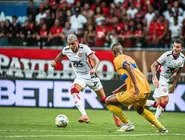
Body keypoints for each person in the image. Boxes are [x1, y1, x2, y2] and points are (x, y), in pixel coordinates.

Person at [51, 34, 121, 126]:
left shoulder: (84, 48)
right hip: (80, 77)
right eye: (69, 44)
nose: (71, 46)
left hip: (91, 76)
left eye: (73, 44)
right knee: (73, 91)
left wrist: (94, 69)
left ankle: (115, 115)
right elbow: (62, 54)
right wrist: (55, 61)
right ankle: (84, 115)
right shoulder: (66, 50)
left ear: (77, 42)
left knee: (104, 100)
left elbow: (96, 60)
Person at [105, 42, 168, 132]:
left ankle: (128, 124)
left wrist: (135, 86)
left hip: (137, 89)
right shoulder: (130, 58)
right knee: (139, 108)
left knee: (108, 101)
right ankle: (161, 128)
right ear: (122, 50)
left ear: (114, 52)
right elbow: (132, 75)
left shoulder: (117, 59)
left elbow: (129, 67)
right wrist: (120, 89)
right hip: (145, 87)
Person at [146, 39, 184, 119]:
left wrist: (174, 85)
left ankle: (138, 102)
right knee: (165, 100)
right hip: (159, 77)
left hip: (166, 80)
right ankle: (156, 121)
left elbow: (179, 72)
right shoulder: (166, 55)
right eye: (174, 46)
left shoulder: (182, 58)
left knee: (159, 104)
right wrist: (155, 79)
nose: (175, 48)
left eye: (177, 47)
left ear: (181, 49)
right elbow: (153, 66)